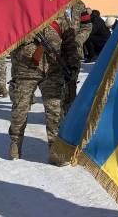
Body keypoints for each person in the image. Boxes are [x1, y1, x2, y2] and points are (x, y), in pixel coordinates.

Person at [8, 13, 78, 165]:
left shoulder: (60, 14)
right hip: (26, 69)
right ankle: (15, 143)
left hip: (54, 69)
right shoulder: (22, 12)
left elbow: (69, 42)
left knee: (55, 112)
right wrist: (30, 35)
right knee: (20, 109)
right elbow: (9, 38)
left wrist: (73, 65)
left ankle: (55, 150)